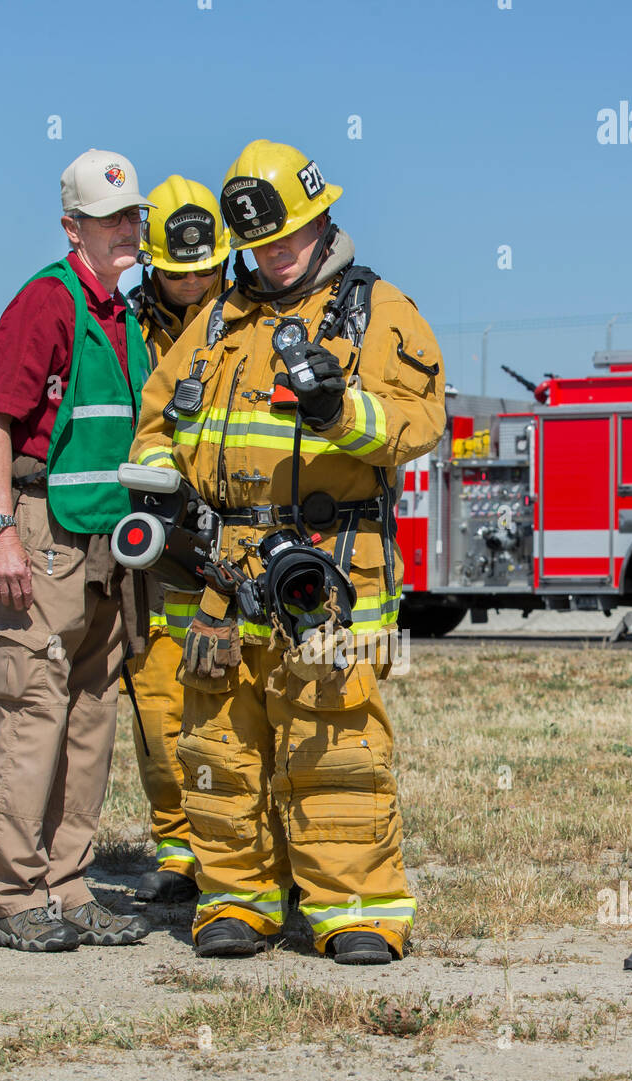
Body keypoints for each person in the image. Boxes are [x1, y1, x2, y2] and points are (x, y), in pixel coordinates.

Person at [130, 139, 445, 966]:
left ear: (320, 220)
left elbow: (420, 422)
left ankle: (357, 910)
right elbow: (159, 422)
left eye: (284, 241)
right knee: (218, 739)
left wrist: (340, 411)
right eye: (257, 246)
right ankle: (238, 898)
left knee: (332, 738)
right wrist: (163, 485)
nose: (271, 258)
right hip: (222, 568)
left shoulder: (377, 312)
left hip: (330, 563)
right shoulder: (217, 320)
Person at [0, 149, 153, 952]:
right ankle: (12, 893)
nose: (127, 231)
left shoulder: (125, 315)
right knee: (33, 711)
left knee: (90, 718)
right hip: (39, 535)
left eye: (132, 216)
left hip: (106, 548)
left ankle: (67, 886)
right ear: (72, 226)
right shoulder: (47, 302)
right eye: (110, 220)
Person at [125, 177, 230, 903]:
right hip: (158, 548)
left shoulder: (253, 317)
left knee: (231, 699)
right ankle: (178, 848)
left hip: (234, 538)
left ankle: (243, 842)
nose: (193, 283)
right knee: (160, 698)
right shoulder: (125, 328)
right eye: (176, 270)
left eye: (205, 269)